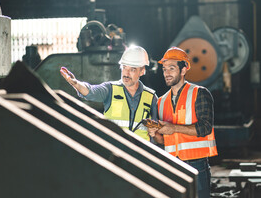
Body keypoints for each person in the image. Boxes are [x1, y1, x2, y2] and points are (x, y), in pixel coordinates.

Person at [148, 47, 218, 198]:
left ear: (184, 70)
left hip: (196, 163)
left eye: (171, 68)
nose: (167, 73)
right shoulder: (161, 101)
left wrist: (173, 128)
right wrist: (155, 134)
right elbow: (164, 140)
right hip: (172, 163)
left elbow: (205, 128)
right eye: (164, 69)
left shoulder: (199, 93)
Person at [60, 45, 158, 141]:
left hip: (140, 154)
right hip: (114, 150)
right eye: (124, 67)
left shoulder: (151, 98)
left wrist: (154, 132)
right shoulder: (110, 89)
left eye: (132, 69)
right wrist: (76, 83)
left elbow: (156, 133)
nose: (126, 74)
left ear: (142, 71)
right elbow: (91, 91)